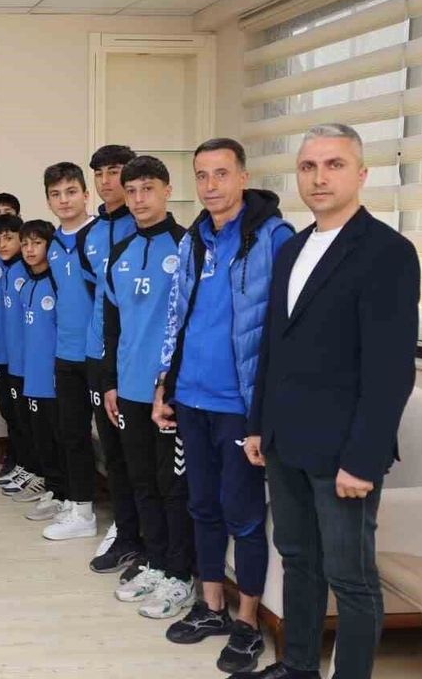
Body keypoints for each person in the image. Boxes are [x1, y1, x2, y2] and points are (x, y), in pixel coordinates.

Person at [233, 124, 419, 679]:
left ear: (361, 174)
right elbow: (273, 347)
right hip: (285, 441)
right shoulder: (292, 248)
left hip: (343, 452)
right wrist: (257, 425)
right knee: (298, 561)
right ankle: (298, 667)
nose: (319, 177)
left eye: (334, 165)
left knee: (351, 578)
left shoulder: (387, 252)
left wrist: (363, 459)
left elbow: (390, 370)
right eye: (308, 166)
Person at [152, 138, 293, 673]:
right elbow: (177, 317)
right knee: (202, 506)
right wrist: (165, 385)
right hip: (191, 397)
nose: (210, 186)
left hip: (240, 405)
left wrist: (266, 413)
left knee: (244, 515)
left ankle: (247, 623)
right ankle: (211, 607)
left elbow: (283, 329)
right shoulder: (194, 238)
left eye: (221, 174)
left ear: (243, 176)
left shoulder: (274, 238)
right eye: (202, 176)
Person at [102, 155, 195, 621]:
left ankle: (181, 574)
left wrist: (171, 383)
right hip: (129, 390)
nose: (139, 199)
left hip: (169, 395)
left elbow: (192, 324)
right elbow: (112, 324)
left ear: (166, 190)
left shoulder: (188, 246)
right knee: (141, 482)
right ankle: (156, 563)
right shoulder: (120, 252)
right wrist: (110, 384)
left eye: (148, 189)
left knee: (171, 486)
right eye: (132, 190)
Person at [84, 145, 146, 579]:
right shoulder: (91, 233)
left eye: (115, 172)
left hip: (136, 362)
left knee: (138, 460)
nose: (107, 181)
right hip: (98, 356)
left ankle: (145, 543)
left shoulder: (142, 228)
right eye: (100, 174)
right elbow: (97, 298)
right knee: (114, 456)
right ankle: (126, 535)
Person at [40, 162, 100, 541]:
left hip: (99, 356)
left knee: (113, 443)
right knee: (71, 434)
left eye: (71, 192)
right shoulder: (53, 244)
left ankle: (125, 523)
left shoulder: (100, 235)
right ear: (48, 201)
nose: (64, 200)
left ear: (85, 193)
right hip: (66, 353)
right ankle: (81, 509)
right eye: (56, 194)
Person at [15, 219, 69, 530]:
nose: (30, 249)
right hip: (32, 376)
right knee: (42, 439)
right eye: (25, 244)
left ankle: (65, 494)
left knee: (59, 437)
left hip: (54, 377)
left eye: (36, 243)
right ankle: (53, 489)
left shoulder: (58, 283)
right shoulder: (27, 285)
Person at [0, 215, 38, 501]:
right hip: (5, 356)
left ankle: (31, 468)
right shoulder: (3, 269)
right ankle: (22, 464)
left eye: (9, 238)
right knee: (12, 415)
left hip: (24, 361)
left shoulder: (27, 271)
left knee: (25, 419)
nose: (2, 244)